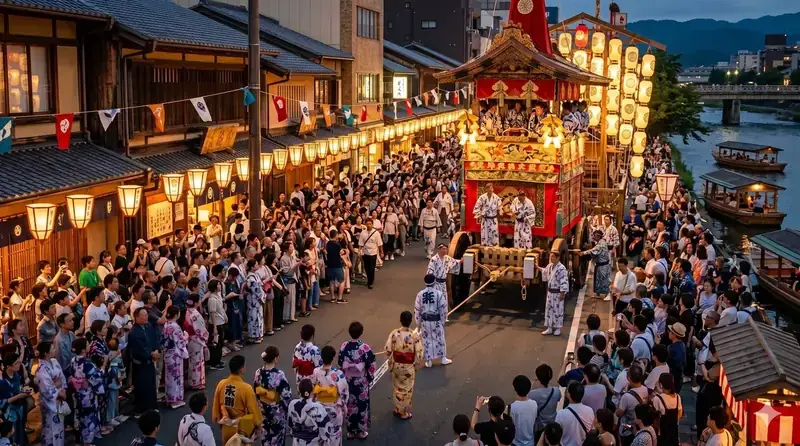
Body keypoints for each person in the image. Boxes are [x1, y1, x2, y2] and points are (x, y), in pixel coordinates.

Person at [212, 355, 262, 445]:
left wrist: (218, 418)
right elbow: (253, 410)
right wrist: (258, 426)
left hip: (226, 426)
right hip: (241, 428)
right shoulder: (246, 388)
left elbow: (216, 405)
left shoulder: (221, 384)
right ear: (241, 369)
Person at [338, 321, 376, 440]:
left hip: (348, 379)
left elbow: (340, 363)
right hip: (361, 380)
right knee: (361, 405)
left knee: (349, 404)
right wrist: (369, 376)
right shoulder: (364, 347)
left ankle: (350, 431)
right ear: (361, 332)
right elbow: (371, 364)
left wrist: (345, 373)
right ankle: (360, 431)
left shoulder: (344, 346)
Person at [384, 311, 423, 420]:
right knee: (406, 390)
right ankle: (403, 412)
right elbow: (419, 354)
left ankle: (397, 408)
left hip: (396, 365)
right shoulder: (414, 336)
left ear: (400, 320)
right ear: (410, 321)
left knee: (396, 387)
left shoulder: (394, 333)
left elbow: (387, 350)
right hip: (408, 367)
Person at [70, 338, 107, 444]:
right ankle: (87, 441)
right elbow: (96, 378)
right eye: (87, 345)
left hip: (78, 392)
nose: (89, 346)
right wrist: (103, 367)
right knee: (88, 417)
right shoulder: (87, 364)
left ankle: (79, 439)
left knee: (79, 415)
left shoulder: (73, 360)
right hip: (87, 393)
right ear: (82, 349)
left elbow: (72, 373)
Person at [254, 346, 292, 446]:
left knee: (265, 438)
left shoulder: (258, 373)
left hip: (263, 410)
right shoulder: (279, 375)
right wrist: (287, 411)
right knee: (277, 439)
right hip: (276, 412)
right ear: (275, 358)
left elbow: (256, 390)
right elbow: (286, 395)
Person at [310, 346, 349, 445]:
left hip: (319, 407)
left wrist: (312, 402)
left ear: (322, 358)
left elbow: (312, 389)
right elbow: (344, 393)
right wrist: (343, 405)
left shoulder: (316, 372)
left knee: (321, 432)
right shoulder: (338, 374)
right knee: (334, 433)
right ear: (333, 358)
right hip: (334, 408)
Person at [415, 274, 451, 367]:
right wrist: (443, 320)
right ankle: (443, 358)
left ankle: (429, 360)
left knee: (426, 340)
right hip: (436, 320)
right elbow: (443, 309)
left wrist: (418, 324)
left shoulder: (420, 294)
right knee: (440, 338)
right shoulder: (439, 294)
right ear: (434, 282)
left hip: (425, 321)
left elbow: (417, 310)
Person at [36, 341, 67, 446]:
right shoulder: (41, 370)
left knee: (60, 427)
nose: (54, 350)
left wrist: (63, 389)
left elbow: (61, 377)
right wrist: (59, 392)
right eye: (52, 349)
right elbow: (47, 389)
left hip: (59, 397)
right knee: (50, 427)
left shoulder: (54, 361)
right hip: (49, 401)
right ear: (46, 353)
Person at [129, 307, 158, 416]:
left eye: (146, 315)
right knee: (142, 386)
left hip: (150, 359)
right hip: (141, 362)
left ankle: (152, 406)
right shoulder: (134, 332)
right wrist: (150, 355)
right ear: (137, 317)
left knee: (151, 384)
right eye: (144, 315)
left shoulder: (148, 326)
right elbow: (139, 349)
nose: (146, 317)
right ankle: (140, 410)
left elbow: (154, 339)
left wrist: (156, 350)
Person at [288, 379, 334, 445]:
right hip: (313, 442)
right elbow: (324, 428)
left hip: (297, 441)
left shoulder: (292, 404)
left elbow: (290, 424)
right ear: (312, 391)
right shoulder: (317, 407)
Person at [537, 251, 569, 336]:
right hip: (550, 292)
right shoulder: (550, 266)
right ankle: (549, 328)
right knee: (549, 309)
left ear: (558, 258)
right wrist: (537, 267)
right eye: (551, 257)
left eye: (553, 257)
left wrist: (563, 293)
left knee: (558, 310)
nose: (551, 258)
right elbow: (545, 271)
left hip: (558, 292)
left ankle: (558, 328)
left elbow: (564, 281)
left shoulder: (562, 268)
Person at [162, 305, 189, 409]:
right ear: (177, 314)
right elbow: (180, 341)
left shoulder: (166, 324)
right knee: (176, 377)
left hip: (168, 353)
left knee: (169, 377)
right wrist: (185, 336)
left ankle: (169, 398)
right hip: (175, 354)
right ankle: (175, 400)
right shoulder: (175, 326)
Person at [426, 243, 461, 319]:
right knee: (436, 299)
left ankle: (444, 317)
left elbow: (455, 262)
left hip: (443, 283)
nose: (445, 251)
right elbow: (429, 272)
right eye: (443, 249)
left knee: (444, 300)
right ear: (440, 249)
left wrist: (462, 261)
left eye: (446, 249)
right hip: (436, 283)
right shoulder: (434, 259)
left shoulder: (447, 258)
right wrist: (430, 284)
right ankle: (434, 315)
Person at [616, 365, 648, 446]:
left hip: (627, 429)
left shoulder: (626, 397)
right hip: (639, 427)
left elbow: (619, 413)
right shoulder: (645, 389)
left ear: (629, 378)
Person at [528, 364, 560, 442]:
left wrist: (532, 385)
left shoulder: (533, 394)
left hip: (540, 427)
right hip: (552, 423)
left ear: (538, 378)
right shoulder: (557, 391)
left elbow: (527, 400)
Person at [185, 296, 209, 390]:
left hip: (190, 338)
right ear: (195, 303)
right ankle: (196, 383)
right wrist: (205, 336)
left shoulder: (187, 311)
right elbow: (200, 329)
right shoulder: (195, 314)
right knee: (197, 361)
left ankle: (192, 381)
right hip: (196, 339)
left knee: (192, 361)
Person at [652, 374, 682, 446]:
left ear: (661, 384)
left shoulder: (657, 399)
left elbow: (655, 419)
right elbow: (680, 412)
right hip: (674, 432)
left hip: (662, 433)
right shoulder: (677, 397)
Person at [508, 375, 538, 446]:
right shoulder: (534, 404)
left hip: (516, 443)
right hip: (531, 442)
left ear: (514, 389)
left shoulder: (511, 408)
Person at [582, 230, 611, 299]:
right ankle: (597, 294)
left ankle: (607, 295)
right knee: (598, 280)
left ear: (598, 236)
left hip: (603, 265)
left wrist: (583, 253)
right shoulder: (600, 242)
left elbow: (594, 250)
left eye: (594, 236)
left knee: (603, 279)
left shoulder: (601, 244)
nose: (593, 237)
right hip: (600, 264)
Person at [244, 259, 266, 343]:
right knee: (254, 318)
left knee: (257, 317)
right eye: (256, 265)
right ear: (252, 267)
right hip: (253, 300)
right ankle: (254, 336)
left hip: (256, 300)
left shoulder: (254, 275)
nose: (257, 266)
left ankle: (257, 335)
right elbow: (256, 289)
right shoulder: (251, 277)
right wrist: (262, 296)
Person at [358, 219, 383, 289]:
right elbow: (360, 243)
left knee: (372, 268)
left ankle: (370, 282)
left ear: (372, 224)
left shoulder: (376, 233)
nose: (368, 225)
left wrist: (381, 252)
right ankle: (369, 278)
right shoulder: (363, 233)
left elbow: (380, 243)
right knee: (366, 267)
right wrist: (359, 251)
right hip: (365, 252)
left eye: (370, 224)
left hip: (373, 252)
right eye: (367, 224)